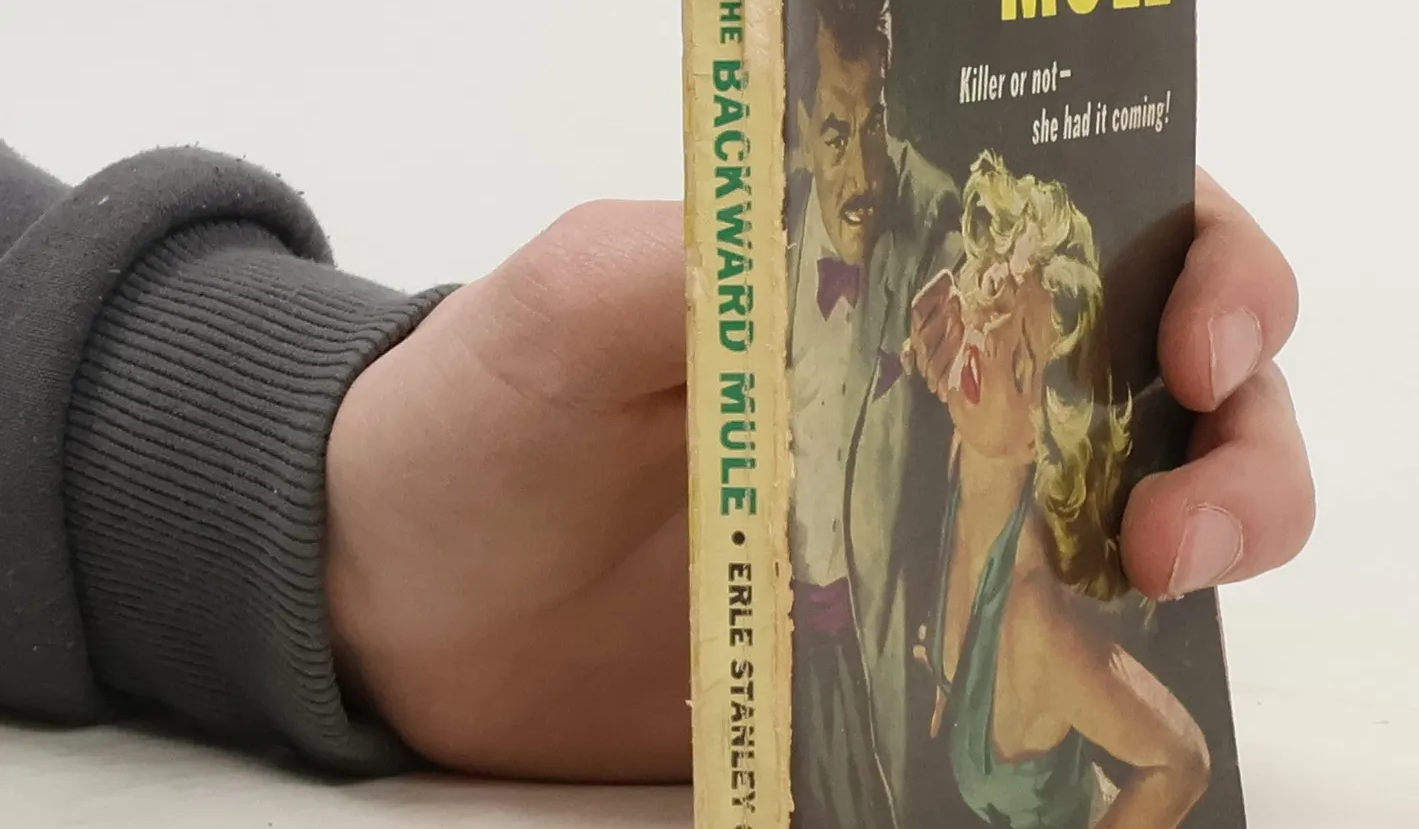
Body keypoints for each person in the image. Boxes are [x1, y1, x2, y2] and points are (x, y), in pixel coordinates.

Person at [0, 133, 1314, 783]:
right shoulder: (919, 546)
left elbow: (1177, 766)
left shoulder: (1010, 610)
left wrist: (311, 479)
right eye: (987, 330)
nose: (976, 360)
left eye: (1021, 362)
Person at [909, 154, 1209, 829]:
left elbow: (1183, 762)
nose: (983, 343)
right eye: (990, 303)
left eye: (1020, 364)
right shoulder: (958, 460)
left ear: (1041, 433)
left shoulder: (1034, 622)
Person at [783, 0, 964, 829]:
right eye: (834, 134)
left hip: (887, 652)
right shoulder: (755, 232)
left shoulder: (935, 215)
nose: (863, 176)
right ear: (793, 129)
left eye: (877, 123)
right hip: (782, 657)